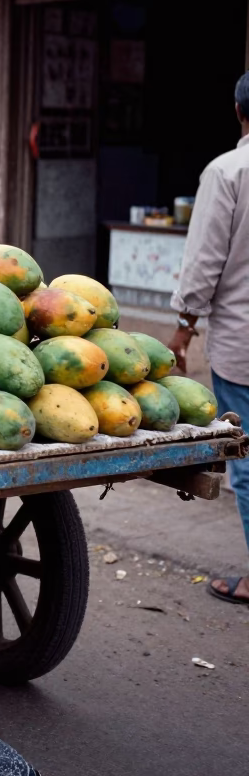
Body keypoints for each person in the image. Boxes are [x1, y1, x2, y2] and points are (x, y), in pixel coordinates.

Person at [169, 70, 249, 608]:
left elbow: (203, 264)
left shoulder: (228, 171)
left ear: (240, 112)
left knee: (246, 462)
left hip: (243, 345)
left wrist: (183, 326)